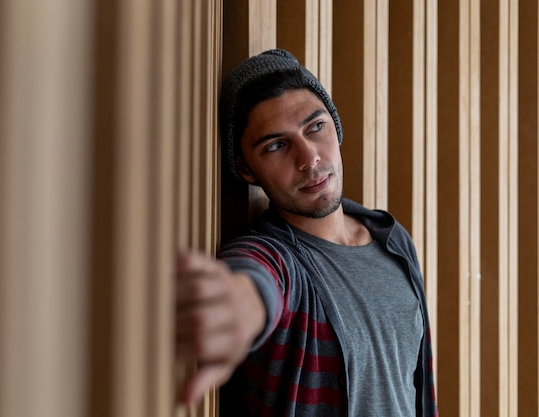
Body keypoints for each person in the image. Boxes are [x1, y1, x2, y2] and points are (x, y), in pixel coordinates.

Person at [176, 49, 438, 417]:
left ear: (335, 126)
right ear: (245, 168)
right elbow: (257, 281)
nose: (309, 158)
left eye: (315, 127)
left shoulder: (391, 239)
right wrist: (242, 306)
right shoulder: (275, 257)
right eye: (276, 146)